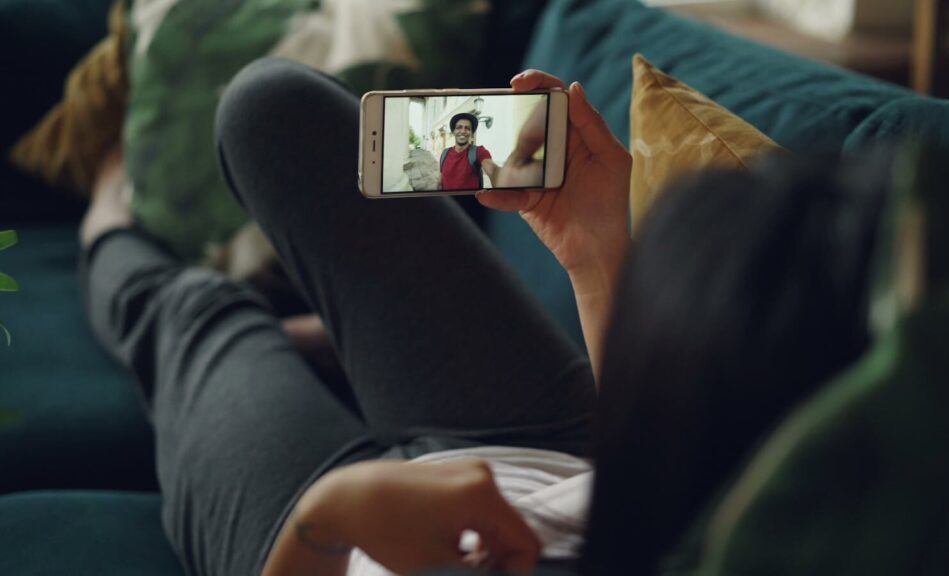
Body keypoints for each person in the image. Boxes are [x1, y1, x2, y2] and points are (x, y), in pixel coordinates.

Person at [80, 58, 884, 576]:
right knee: (267, 109)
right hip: (559, 448)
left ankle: (105, 222)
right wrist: (597, 245)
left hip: (320, 534)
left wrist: (333, 518)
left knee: (196, 312)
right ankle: (336, 342)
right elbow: (664, 466)